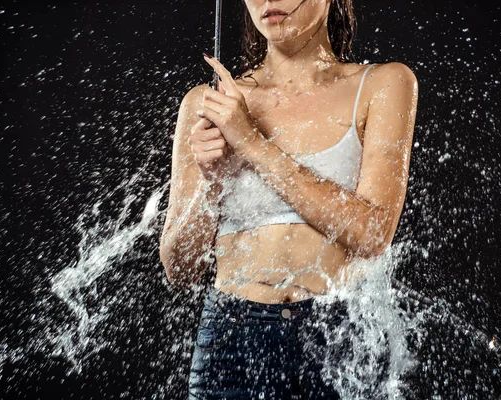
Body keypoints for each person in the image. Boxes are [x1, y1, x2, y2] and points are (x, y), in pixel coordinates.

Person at [160, 0, 418, 398]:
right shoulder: (209, 103)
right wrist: (211, 183)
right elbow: (180, 268)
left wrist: (248, 141)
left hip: (335, 339)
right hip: (231, 343)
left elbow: (372, 234)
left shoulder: (384, 84)